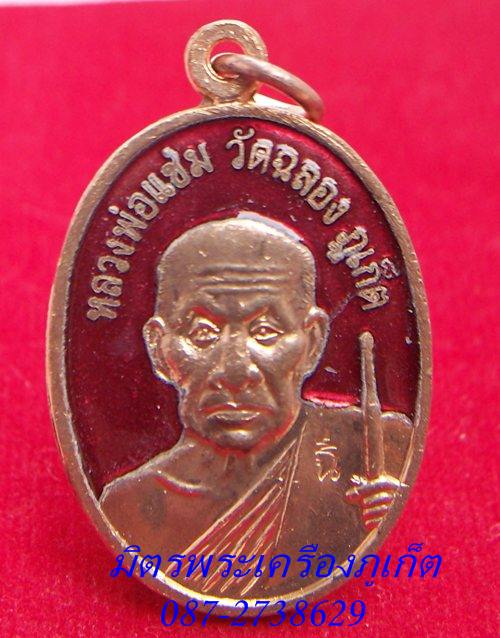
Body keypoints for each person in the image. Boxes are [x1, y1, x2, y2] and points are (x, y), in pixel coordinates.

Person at [100, 215, 411, 597]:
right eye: (202, 333)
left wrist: (379, 520)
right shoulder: (130, 507)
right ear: (158, 348)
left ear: (313, 342)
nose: (235, 372)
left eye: (266, 331)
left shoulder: (369, 452)